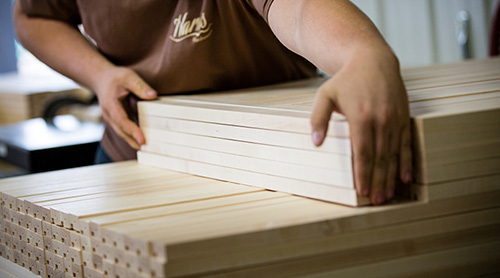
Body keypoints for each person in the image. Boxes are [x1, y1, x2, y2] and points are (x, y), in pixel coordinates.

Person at [13, 0, 412, 205]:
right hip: (133, 154)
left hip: (276, 171)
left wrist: (363, 53)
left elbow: (299, 9)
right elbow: (31, 17)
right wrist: (99, 74)